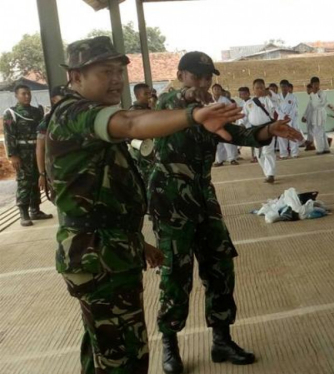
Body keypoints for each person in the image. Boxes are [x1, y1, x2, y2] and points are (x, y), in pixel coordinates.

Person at [46, 36, 245, 374]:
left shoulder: (87, 120)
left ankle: (221, 338)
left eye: (119, 71)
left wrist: (138, 243)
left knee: (100, 350)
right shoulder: (75, 114)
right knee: (125, 359)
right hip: (99, 257)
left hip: (107, 250)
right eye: (105, 71)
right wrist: (194, 115)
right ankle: (171, 343)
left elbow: (100, 199)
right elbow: (134, 123)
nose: (116, 79)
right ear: (75, 76)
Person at [148, 52, 301, 374]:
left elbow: (241, 135)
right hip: (171, 200)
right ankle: (170, 344)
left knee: (220, 267)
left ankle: (221, 339)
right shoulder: (166, 106)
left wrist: (270, 129)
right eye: (197, 77)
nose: (204, 84)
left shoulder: (212, 113)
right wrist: (192, 98)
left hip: (204, 198)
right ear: (180, 75)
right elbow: (178, 101)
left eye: (208, 78)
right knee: (176, 273)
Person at [3, 84, 51, 226]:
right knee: (24, 182)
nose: (27, 96)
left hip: (37, 150)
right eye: (23, 94)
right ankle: (23, 213)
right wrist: (13, 155)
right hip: (22, 152)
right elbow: (9, 136)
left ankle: (35, 210)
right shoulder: (11, 113)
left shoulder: (37, 112)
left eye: (28, 93)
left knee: (37, 179)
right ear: (16, 96)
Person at [244, 79, 280, 183]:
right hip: (255, 130)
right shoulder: (249, 103)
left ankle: (270, 174)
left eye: (261, 87)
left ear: (265, 88)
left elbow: (276, 101)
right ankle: (267, 173)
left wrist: (270, 93)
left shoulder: (267, 99)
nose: (259, 90)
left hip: (267, 128)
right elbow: (244, 116)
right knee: (259, 154)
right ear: (253, 89)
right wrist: (241, 124)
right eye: (257, 88)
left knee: (267, 151)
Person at [36, 85, 66, 199]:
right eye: (62, 98)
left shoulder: (77, 116)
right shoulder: (48, 120)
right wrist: (42, 174)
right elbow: (40, 148)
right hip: (57, 171)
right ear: (54, 100)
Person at [277, 80, 301, 159]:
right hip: (281, 119)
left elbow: (294, 108)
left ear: (288, 87)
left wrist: (288, 116)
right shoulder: (278, 97)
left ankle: (294, 153)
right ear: (280, 87)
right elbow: (277, 108)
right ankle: (283, 154)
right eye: (282, 86)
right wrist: (283, 115)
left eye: (285, 86)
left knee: (292, 135)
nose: (283, 88)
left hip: (291, 119)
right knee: (282, 137)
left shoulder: (293, 97)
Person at [308, 77, 330, 154]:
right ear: (311, 85)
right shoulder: (311, 94)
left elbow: (322, 103)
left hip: (320, 113)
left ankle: (320, 149)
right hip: (315, 114)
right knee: (321, 132)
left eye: (317, 84)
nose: (316, 86)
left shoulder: (322, 93)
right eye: (314, 84)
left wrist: (316, 95)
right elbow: (311, 105)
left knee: (318, 132)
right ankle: (326, 148)